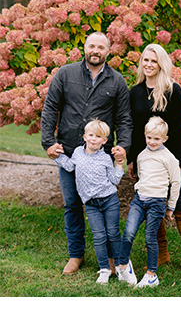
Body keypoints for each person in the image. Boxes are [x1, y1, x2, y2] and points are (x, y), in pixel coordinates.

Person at [40, 31, 132, 276]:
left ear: (108, 51)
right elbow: (50, 107)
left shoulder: (117, 81)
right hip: (70, 151)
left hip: (102, 158)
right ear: (84, 47)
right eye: (92, 45)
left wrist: (123, 145)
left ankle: (111, 258)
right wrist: (48, 142)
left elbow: (124, 118)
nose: (96, 51)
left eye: (101, 47)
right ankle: (76, 254)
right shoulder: (66, 73)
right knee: (72, 205)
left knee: (106, 208)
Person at [127, 43, 181, 283]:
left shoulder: (173, 91)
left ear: (162, 63)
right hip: (145, 161)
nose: (149, 65)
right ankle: (162, 253)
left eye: (154, 61)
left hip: (170, 161)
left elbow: (180, 131)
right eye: (145, 60)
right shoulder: (136, 92)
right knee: (153, 203)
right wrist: (133, 159)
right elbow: (134, 130)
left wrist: (176, 166)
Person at [53, 119, 127, 284]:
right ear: (85, 136)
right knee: (99, 236)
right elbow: (70, 166)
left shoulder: (106, 158)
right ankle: (104, 269)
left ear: (104, 141)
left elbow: (114, 179)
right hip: (91, 204)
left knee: (113, 234)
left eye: (98, 136)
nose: (94, 139)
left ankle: (121, 268)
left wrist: (120, 165)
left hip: (109, 201)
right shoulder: (78, 153)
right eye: (91, 135)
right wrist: (56, 156)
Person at [121, 116, 181, 288]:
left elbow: (176, 182)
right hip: (139, 200)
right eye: (149, 138)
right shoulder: (142, 155)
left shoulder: (169, 158)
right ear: (145, 135)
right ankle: (123, 266)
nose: (152, 142)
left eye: (157, 139)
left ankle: (151, 275)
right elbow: (142, 176)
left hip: (157, 202)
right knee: (128, 232)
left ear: (165, 139)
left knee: (150, 237)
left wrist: (170, 207)